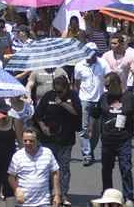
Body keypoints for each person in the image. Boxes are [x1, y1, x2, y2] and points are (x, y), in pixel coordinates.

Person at [91, 72, 134, 206]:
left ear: (117, 83)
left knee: (126, 168)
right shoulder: (104, 97)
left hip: (123, 139)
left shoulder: (129, 97)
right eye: (104, 86)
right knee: (106, 169)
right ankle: (107, 195)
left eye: (108, 85)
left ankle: (129, 196)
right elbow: (96, 114)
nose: (106, 88)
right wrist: (91, 126)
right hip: (107, 140)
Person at [35, 75, 82, 205]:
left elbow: (77, 113)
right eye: (56, 90)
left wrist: (63, 104)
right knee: (49, 167)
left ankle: (63, 194)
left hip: (66, 139)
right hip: (49, 138)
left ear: (66, 87)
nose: (58, 93)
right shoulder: (48, 96)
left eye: (60, 91)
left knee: (63, 167)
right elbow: (37, 115)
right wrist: (43, 127)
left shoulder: (73, 96)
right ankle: (50, 193)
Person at [7, 126, 61, 207]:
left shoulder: (47, 153)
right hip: (23, 203)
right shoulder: (17, 156)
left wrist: (57, 194)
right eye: (25, 141)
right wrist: (16, 190)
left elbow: (55, 172)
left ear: (38, 141)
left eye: (31, 141)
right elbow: (11, 176)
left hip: (43, 202)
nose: (28, 143)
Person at [74, 42, 108, 167]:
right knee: (84, 128)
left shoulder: (103, 63)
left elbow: (108, 78)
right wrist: (78, 98)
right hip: (84, 99)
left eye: (94, 52)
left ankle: (91, 150)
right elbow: (77, 83)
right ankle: (87, 154)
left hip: (98, 100)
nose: (92, 55)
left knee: (96, 130)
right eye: (90, 52)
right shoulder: (79, 65)